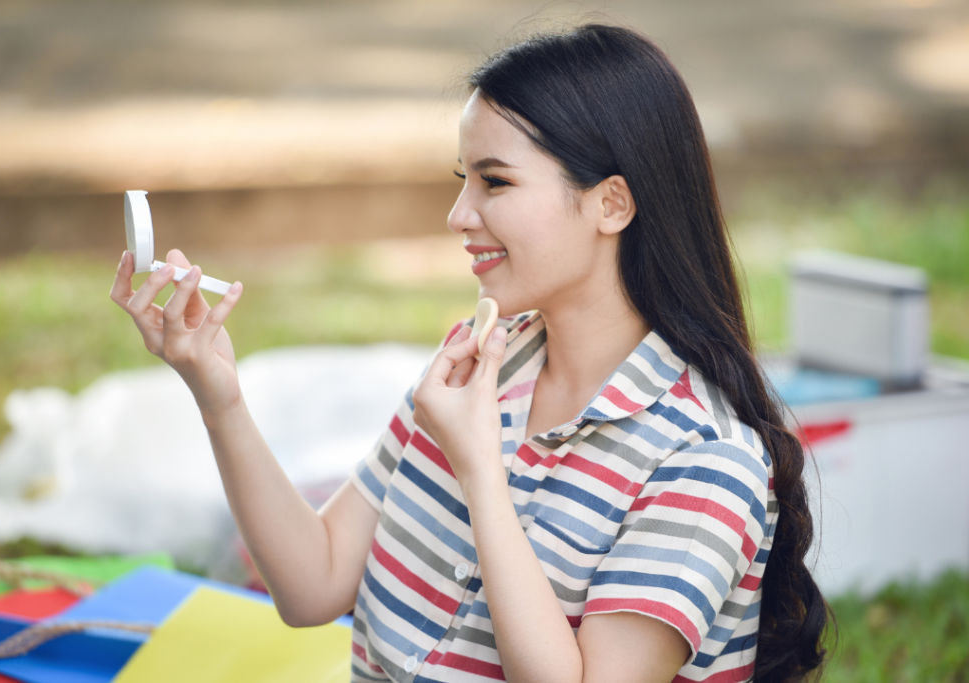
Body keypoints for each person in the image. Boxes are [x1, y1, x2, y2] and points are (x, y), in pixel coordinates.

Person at [111, 23, 828, 683]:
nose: (459, 216)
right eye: (464, 181)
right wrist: (218, 392)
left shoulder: (704, 458)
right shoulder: (477, 364)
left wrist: (481, 471)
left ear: (612, 203)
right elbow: (313, 582)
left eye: (496, 181)